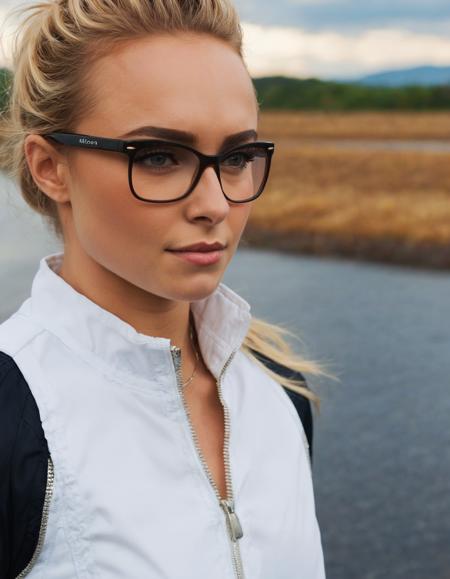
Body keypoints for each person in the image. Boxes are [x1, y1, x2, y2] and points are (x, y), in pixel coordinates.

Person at [0, 1, 327, 577]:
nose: (216, 205)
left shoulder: (279, 389)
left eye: (237, 157)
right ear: (50, 166)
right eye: (157, 156)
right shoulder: (12, 420)